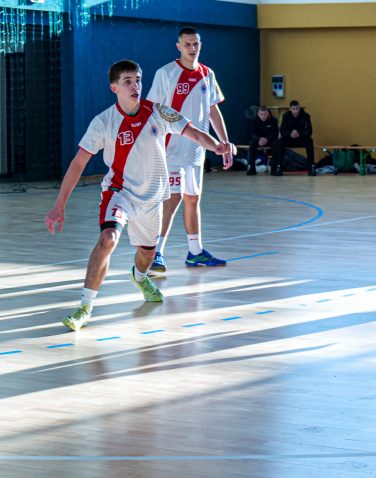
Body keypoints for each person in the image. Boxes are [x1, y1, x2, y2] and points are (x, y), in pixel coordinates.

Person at [44, 60, 232, 331]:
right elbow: (78, 163)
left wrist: (218, 146)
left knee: (147, 255)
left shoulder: (159, 112)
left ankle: (140, 277)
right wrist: (59, 205)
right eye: (128, 81)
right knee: (108, 239)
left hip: (153, 199)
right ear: (114, 88)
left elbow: (194, 133)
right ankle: (85, 306)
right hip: (119, 192)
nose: (135, 86)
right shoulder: (103, 122)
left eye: (138, 80)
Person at [146, 27, 232, 271]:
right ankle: (155, 253)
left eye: (196, 44)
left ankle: (195, 252)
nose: (192, 48)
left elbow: (213, 109)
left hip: (197, 151)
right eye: (187, 44)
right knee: (172, 199)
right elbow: (152, 111)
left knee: (193, 198)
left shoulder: (207, 73)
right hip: (171, 150)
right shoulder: (166, 73)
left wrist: (224, 142)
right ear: (179, 46)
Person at [272, 100, 316, 177]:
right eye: (293, 109)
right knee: (280, 142)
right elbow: (282, 131)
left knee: (309, 141)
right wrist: (290, 134)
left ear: (299, 108)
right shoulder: (285, 116)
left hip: (301, 139)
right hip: (289, 138)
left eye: (297, 108)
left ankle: (311, 167)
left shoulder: (306, 116)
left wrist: (299, 134)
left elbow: (309, 131)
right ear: (290, 109)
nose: (295, 111)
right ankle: (279, 167)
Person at [246, 105, 279, 175]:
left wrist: (267, 139)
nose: (263, 116)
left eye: (265, 114)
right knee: (251, 143)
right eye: (261, 114)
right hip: (258, 140)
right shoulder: (254, 121)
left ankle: (274, 168)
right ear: (258, 114)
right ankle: (251, 168)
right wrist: (259, 139)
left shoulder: (273, 121)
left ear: (268, 113)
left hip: (270, 140)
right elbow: (252, 133)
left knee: (276, 144)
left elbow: (275, 134)